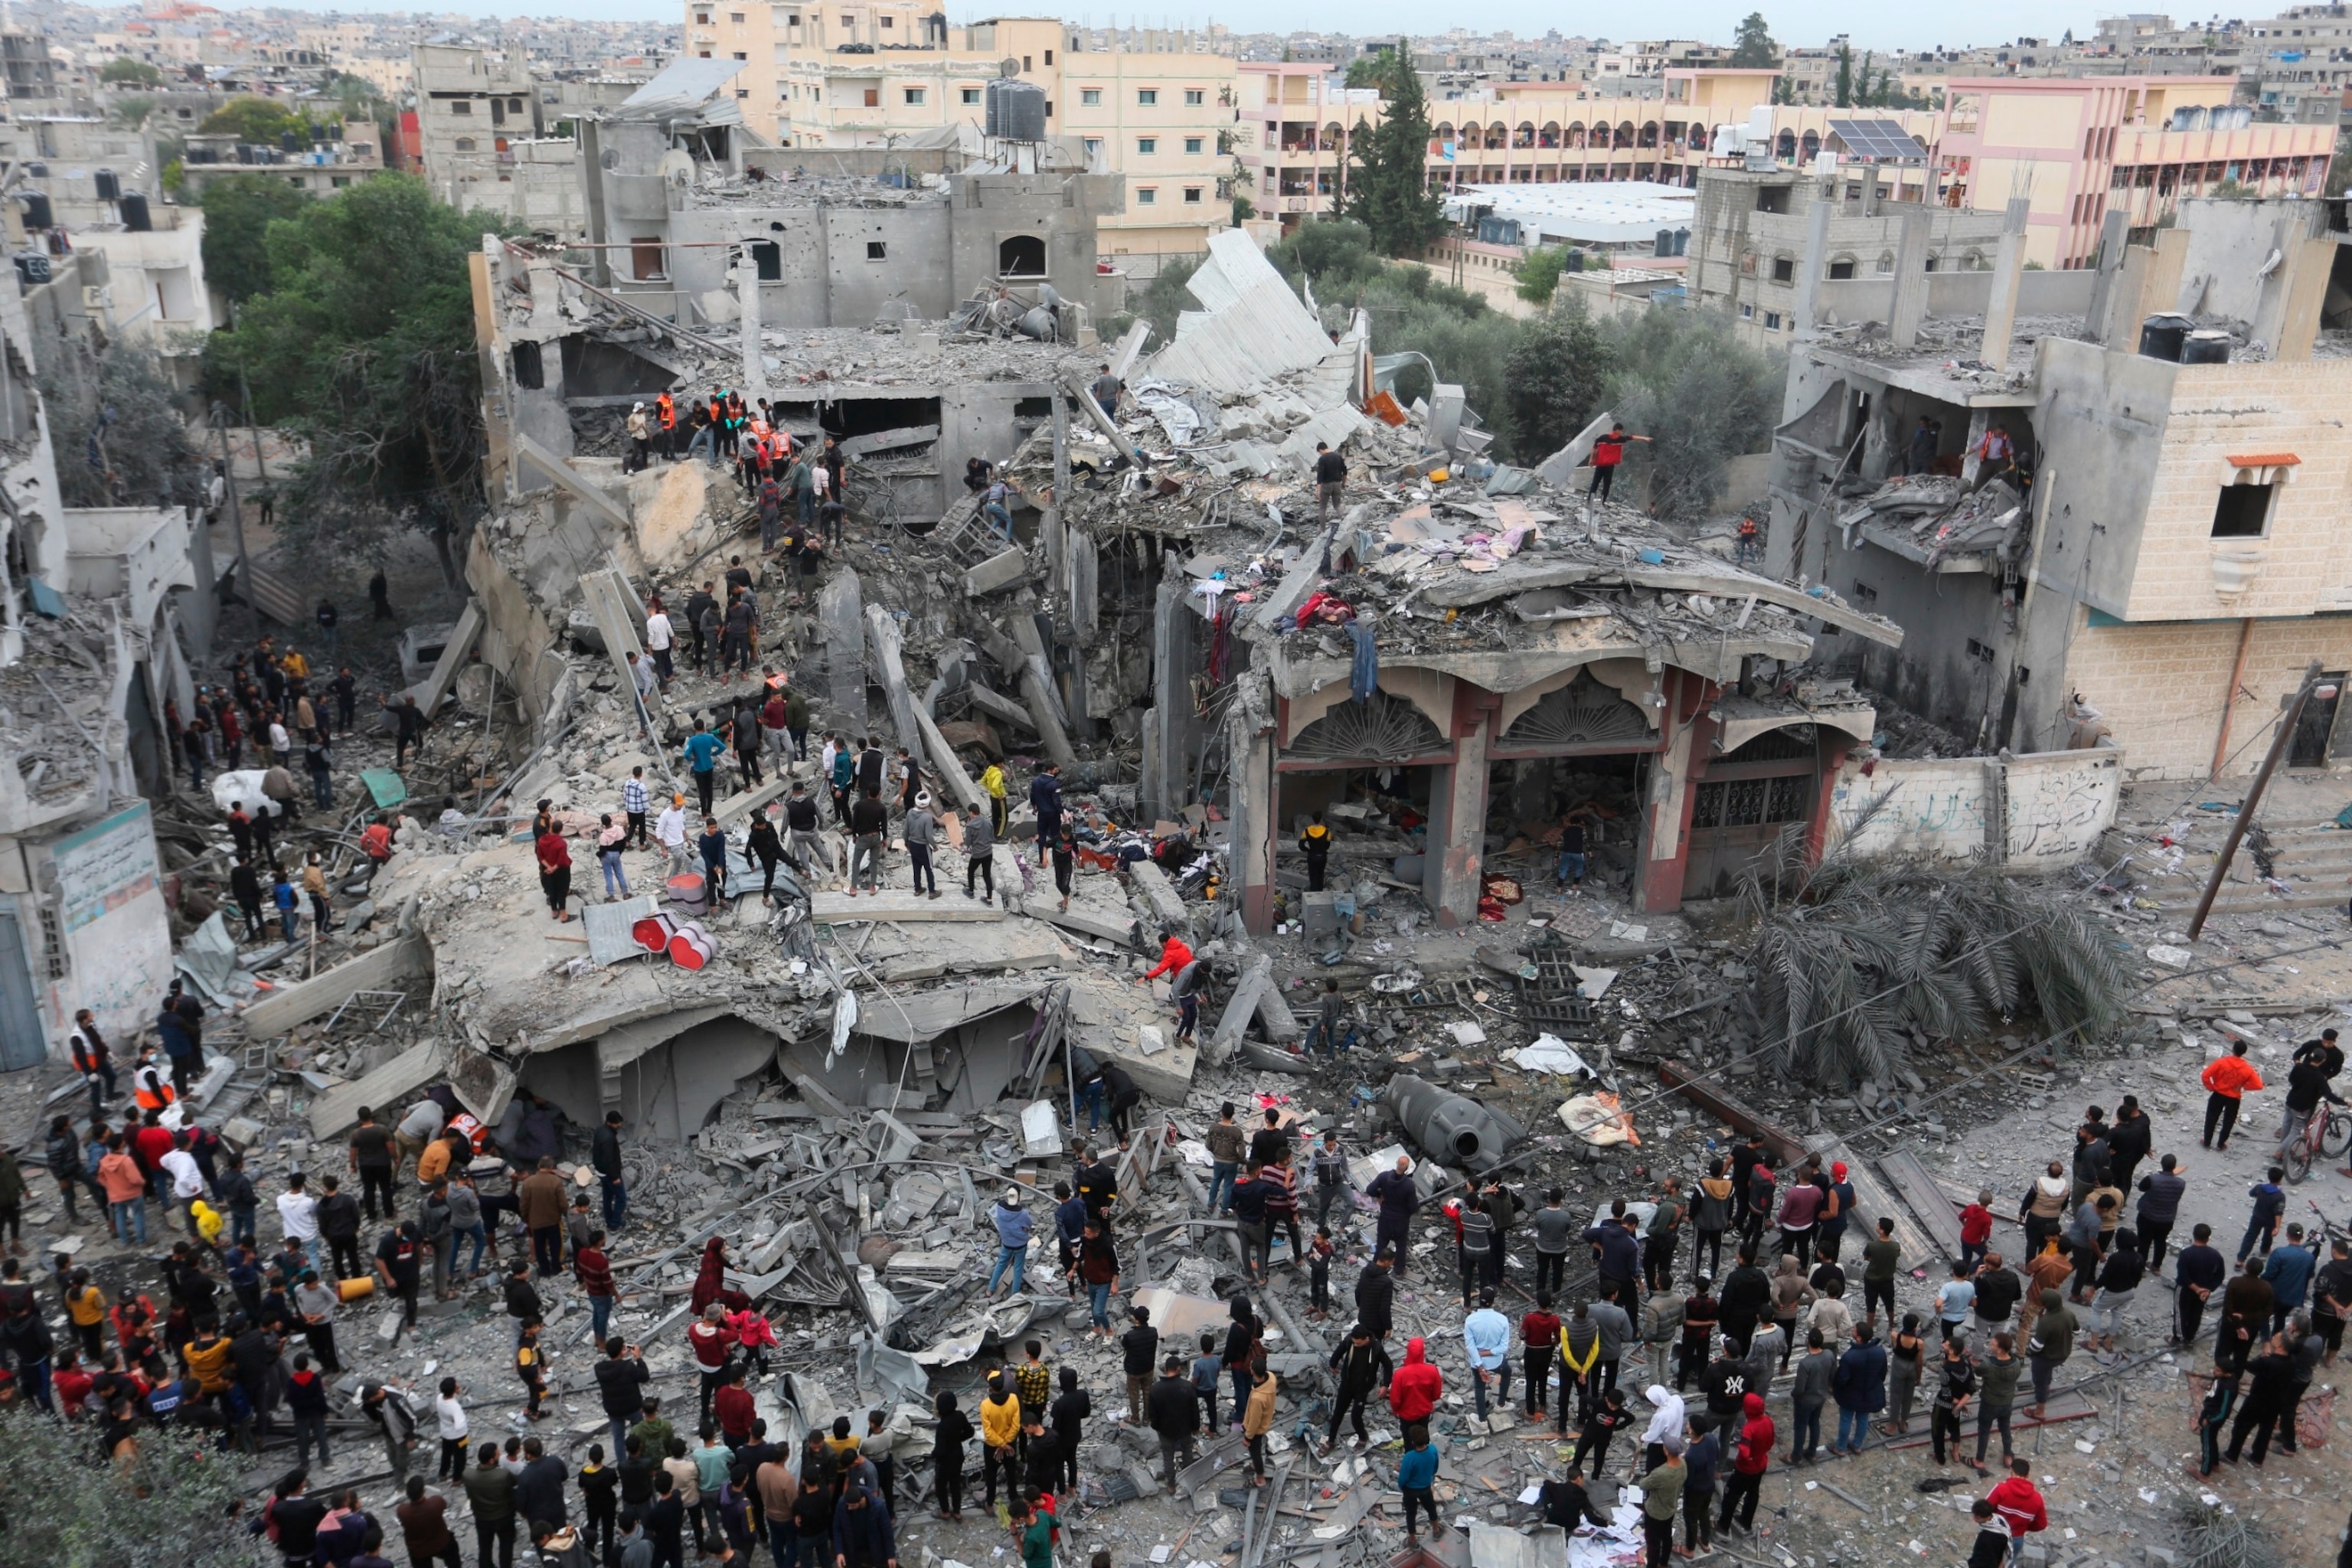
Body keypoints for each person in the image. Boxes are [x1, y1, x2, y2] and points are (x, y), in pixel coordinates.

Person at [2204, 1039, 2264, 1151]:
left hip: (2218, 1094)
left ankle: (2207, 1142)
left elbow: (2205, 1075)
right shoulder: (2248, 1069)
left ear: (2233, 1049)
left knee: (2211, 1118)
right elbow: (2259, 1085)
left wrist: (2211, 1087)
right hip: (2234, 1098)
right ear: (2244, 1053)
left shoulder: (2222, 1062)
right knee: (2228, 1121)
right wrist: (2243, 1087)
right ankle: (2220, 1144)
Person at [1397, 1422, 1443, 1543]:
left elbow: (1403, 1478)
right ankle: (1436, 1530)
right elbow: (1435, 1467)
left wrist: (1402, 1487)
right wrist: (1429, 1476)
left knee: (1411, 1514)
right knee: (1431, 1509)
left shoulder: (1410, 1457)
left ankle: (1412, 1540)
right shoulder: (1432, 1450)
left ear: (1412, 1442)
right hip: (1425, 1487)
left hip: (1410, 1490)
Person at [1586, 423, 1650, 505]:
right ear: (1617, 430)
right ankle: (1602, 502)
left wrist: (1591, 459)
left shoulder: (1602, 438)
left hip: (1600, 465)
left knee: (1595, 483)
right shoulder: (1619, 439)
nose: (1621, 433)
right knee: (1606, 485)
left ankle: (1589, 500)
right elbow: (1632, 437)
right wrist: (1643, 438)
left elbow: (1594, 448)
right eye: (1621, 431)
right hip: (1609, 466)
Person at [1298, 812, 1331, 891]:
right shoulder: (1326, 832)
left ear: (1313, 819)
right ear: (1321, 819)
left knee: (1313, 876)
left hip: (1312, 856)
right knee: (1320, 875)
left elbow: (1301, 845)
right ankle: (1320, 893)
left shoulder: (1307, 831)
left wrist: (1308, 850)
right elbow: (1327, 846)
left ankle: (1313, 893)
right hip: (1322, 856)